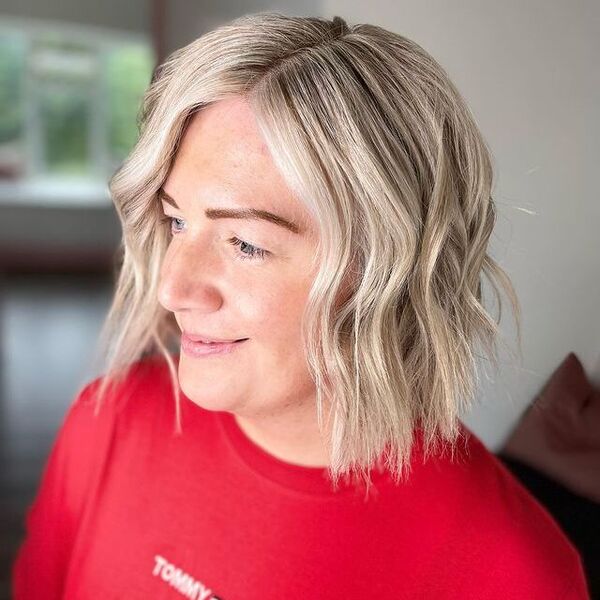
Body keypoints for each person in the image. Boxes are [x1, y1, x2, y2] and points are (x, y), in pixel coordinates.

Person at [11, 12, 590, 599]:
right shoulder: (109, 420)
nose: (173, 288)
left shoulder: (518, 575)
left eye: (245, 243)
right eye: (176, 220)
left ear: (388, 268)